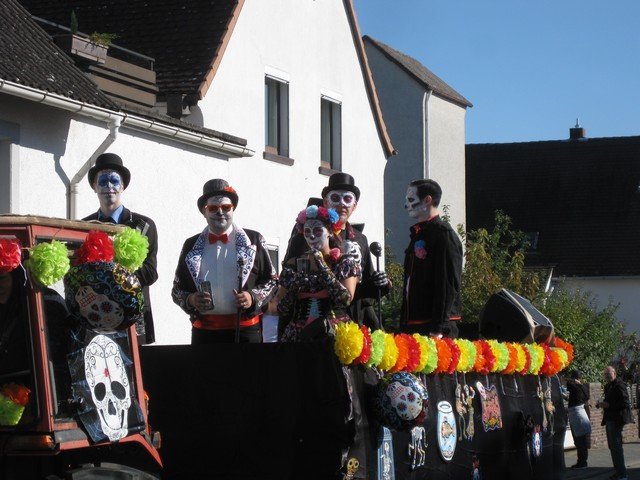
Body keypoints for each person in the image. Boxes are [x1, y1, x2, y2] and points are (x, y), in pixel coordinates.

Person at [172, 179, 278, 344]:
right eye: (213, 208)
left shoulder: (254, 240)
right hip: (205, 334)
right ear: (204, 211)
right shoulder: (191, 245)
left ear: (233, 209)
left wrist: (252, 297)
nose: (220, 212)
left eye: (226, 207)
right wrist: (191, 299)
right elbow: (177, 290)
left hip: (245, 332)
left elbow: (272, 280)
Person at [284, 173, 389, 330]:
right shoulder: (305, 233)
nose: (342, 204)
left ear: (354, 205)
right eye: (335, 198)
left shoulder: (360, 239)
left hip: (351, 321)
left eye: (347, 199)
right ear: (326, 202)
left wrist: (382, 283)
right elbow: (288, 273)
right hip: (311, 318)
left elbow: (365, 283)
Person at [83, 153, 158, 344]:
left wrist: (113, 272)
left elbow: (150, 273)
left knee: (137, 363)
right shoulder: (83, 226)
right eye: (103, 181)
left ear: (122, 186)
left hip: (133, 315)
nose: (109, 186)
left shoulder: (143, 225)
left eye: (114, 181)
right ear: (94, 187)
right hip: (95, 316)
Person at [274, 205, 360, 342]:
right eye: (307, 231)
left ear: (330, 231)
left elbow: (345, 299)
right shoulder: (293, 264)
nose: (312, 236)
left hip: (334, 334)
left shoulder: (344, 262)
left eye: (318, 231)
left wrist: (322, 265)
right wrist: (295, 285)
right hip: (299, 335)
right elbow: (281, 309)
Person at [400, 179, 463, 338]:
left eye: (411, 199)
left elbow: (447, 283)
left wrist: (438, 328)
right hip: (415, 324)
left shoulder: (443, 235)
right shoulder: (419, 233)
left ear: (427, 200)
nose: (406, 205)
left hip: (434, 328)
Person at [597, 365, 633, 480]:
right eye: (605, 374)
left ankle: (622, 474)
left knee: (616, 446)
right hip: (609, 419)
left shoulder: (619, 384)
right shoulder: (608, 386)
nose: (607, 376)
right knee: (612, 447)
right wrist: (601, 404)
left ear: (614, 374)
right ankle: (618, 472)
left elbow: (625, 402)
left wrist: (609, 405)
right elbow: (608, 401)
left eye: (609, 374)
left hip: (617, 419)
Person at [566, 370, 591, 469]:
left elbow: (568, 384)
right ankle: (583, 461)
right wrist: (579, 384)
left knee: (579, 440)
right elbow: (587, 396)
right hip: (581, 413)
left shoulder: (572, 385)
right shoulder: (582, 387)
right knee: (582, 440)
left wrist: (573, 381)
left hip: (576, 414)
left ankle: (582, 462)